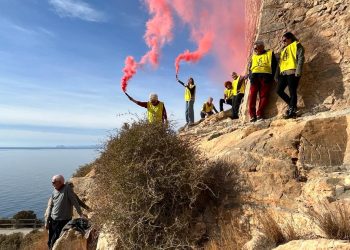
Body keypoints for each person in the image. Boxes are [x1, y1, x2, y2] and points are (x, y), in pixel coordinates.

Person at [46, 175, 84, 249]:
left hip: (63, 220)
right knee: (50, 240)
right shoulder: (54, 191)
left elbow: (75, 202)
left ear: (60, 182)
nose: (52, 184)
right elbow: (50, 206)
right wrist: (47, 221)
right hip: (53, 219)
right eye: (52, 182)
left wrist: (81, 214)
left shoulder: (67, 189)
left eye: (54, 182)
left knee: (56, 239)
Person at [277, 32, 305, 119]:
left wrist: (298, 71)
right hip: (283, 73)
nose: (283, 42)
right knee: (279, 90)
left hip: (293, 71)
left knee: (292, 91)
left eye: (285, 40)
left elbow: (301, 58)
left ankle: (292, 110)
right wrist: (276, 74)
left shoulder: (296, 45)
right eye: (282, 41)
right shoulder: (283, 49)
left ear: (290, 39)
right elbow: (280, 63)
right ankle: (292, 105)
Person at [248, 40, 277, 122]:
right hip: (254, 77)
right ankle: (252, 115)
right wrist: (250, 76)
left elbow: (274, 66)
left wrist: (272, 77)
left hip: (265, 76)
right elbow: (250, 68)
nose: (255, 50)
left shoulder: (270, 53)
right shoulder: (253, 56)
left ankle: (259, 114)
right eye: (254, 49)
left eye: (256, 48)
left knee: (264, 96)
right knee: (252, 96)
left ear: (262, 47)